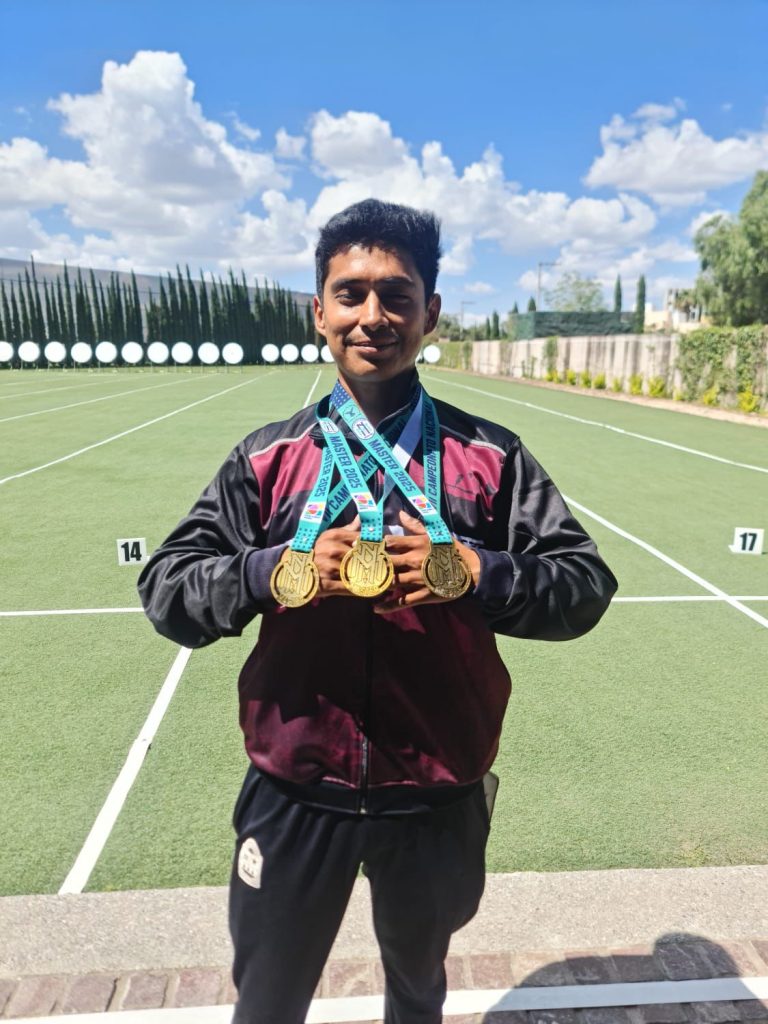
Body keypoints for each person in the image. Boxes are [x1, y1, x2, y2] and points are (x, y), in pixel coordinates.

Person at [138, 198, 618, 1024]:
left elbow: (584, 585)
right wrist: (270, 571)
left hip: (436, 789)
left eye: (397, 296)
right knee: (267, 1002)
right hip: (295, 787)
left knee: (418, 993)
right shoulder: (267, 458)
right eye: (351, 293)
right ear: (318, 311)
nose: (373, 316)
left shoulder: (489, 457)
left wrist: (481, 571)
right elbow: (168, 588)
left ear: (431, 313)